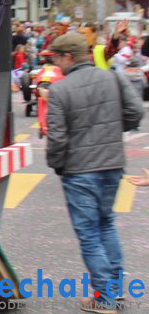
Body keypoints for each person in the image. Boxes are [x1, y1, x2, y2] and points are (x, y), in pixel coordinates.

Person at [45, 32, 142, 312]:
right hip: (112, 163)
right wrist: (114, 130)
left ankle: (105, 297)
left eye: (57, 59)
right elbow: (135, 110)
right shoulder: (111, 76)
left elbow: (58, 138)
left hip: (80, 169)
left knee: (89, 233)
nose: (56, 65)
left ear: (69, 57)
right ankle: (115, 290)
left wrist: (58, 165)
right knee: (106, 223)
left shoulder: (61, 90)